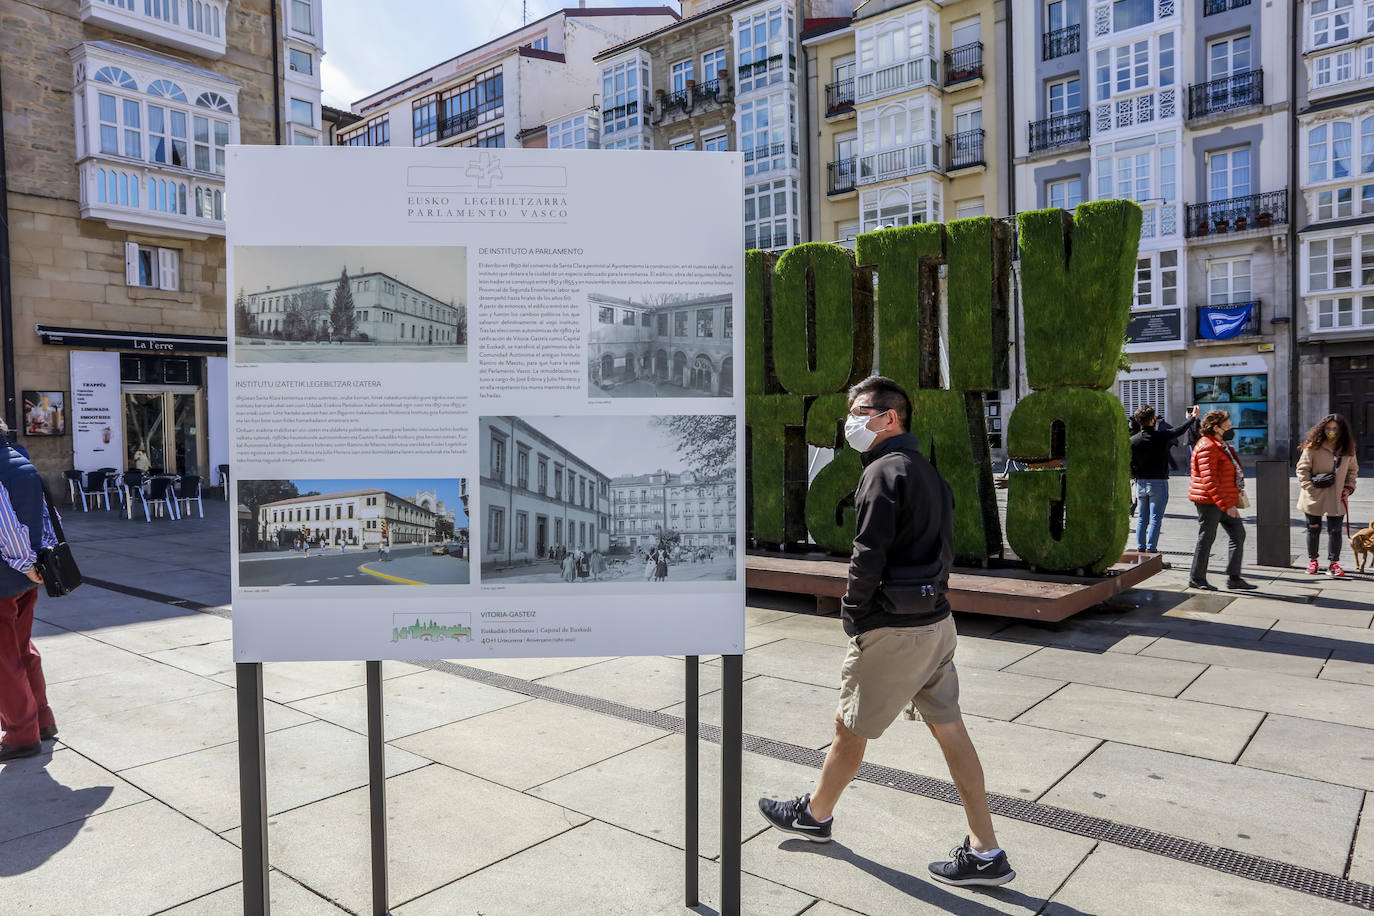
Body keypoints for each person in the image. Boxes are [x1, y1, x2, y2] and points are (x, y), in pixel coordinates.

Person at [757, 376, 1015, 888]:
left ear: (888, 418)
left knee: (849, 727)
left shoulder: (882, 472)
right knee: (950, 731)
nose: (850, 422)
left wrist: (854, 614)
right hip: (935, 622)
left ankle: (815, 814)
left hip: (893, 630)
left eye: (858, 412)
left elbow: (866, 555)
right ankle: (987, 851)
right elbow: (945, 550)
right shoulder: (927, 473)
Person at [0, 420, 60, 762]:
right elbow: (47, 517)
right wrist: (38, 564)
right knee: (22, 649)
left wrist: (24, 562)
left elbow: (7, 526)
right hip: (26, 578)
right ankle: (41, 720)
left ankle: (20, 734)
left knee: (4, 659)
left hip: (7, 577)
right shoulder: (21, 462)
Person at [1187, 409, 1255, 591]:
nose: (1230, 426)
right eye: (1227, 423)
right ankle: (1196, 578)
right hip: (1210, 501)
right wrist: (1227, 505)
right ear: (1216, 427)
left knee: (1238, 533)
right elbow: (1210, 481)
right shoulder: (1207, 446)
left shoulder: (1220, 444)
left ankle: (1234, 578)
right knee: (1207, 538)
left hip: (1222, 500)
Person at [1129, 404, 1198, 556]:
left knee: (1142, 518)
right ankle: (1151, 549)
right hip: (1158, 483)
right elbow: (1179, 430)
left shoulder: (1133, 440)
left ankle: (1141, 547)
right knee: (1155, 518)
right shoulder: (1161, 436)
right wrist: (1192, 418)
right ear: (1153, 420)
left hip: (1141, 483)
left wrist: (1135, 476)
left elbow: (1129, 463)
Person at [1296, 414, 1359, 578]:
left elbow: (1352, 471)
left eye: (1335, 428)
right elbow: (1302, 469)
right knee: (1313, 529)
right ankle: (1313, 561)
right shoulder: (1312, 447)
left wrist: (1349, 488)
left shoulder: (1348, 449)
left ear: (1342, 430)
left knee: (1335, 530)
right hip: (1313, 496)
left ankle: (1333, 563)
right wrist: (1309, 487)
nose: (1331, 431)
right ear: (1322, 429)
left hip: (1337, 497)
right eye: (1328, 428)